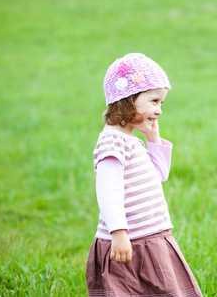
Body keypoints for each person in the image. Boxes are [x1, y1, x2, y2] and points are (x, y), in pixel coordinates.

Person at [86, 53, 203, 297]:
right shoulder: (112, 143)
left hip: (152, 237)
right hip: (130, 241)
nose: (158, 110)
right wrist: (118, 233)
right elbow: (108, 192)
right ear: (127, 100)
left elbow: (159, 174)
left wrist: (152, 138)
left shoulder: (131, 140)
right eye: (154, 101)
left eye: (161, 103)